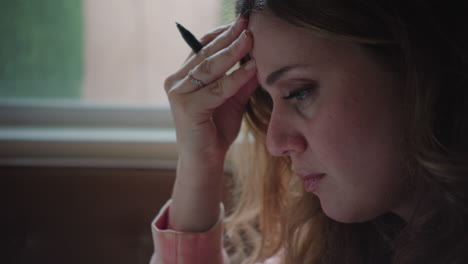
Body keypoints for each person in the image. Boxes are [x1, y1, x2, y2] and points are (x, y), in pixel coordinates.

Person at [150, 0, 468, 263]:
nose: (275, 144)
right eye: (267, 101)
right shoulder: (325, 245)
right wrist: (200, 163)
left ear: (415, 66)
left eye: (299, 92)